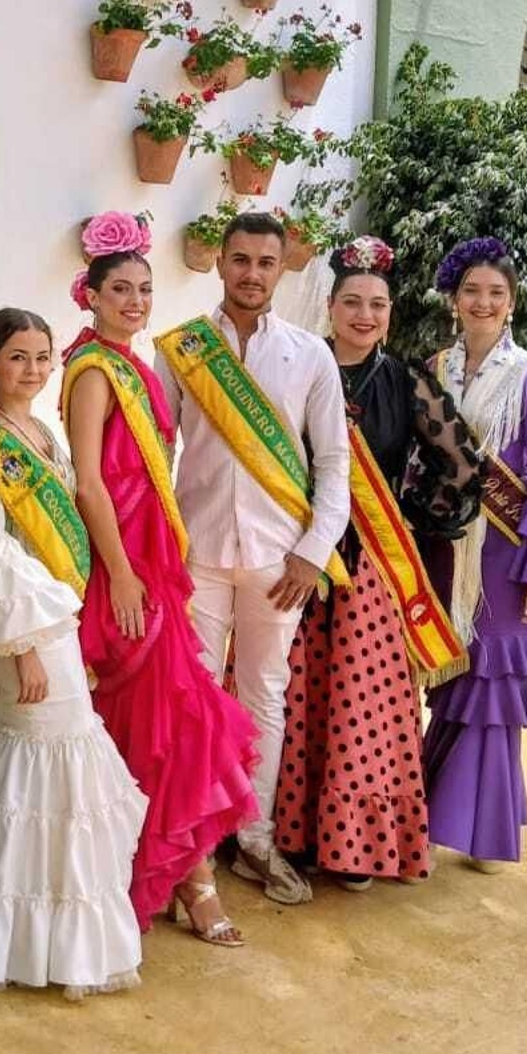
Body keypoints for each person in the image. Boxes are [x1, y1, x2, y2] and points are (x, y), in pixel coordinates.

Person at [0, 308, 146, 996]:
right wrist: (19, 644)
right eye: (17, 355)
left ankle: (28, 931)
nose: (32, 367)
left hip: (49, 617)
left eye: (42, 355)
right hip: (22, 626)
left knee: (27, 766)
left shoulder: (41, 433)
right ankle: (22, 937)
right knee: (51, 759)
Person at [62, 221, 259, 942]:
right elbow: (88, 481)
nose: (136, 300)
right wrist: (118, 575)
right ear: (92, 295)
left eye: (145, 289)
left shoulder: (135, 365)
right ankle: (183, 879)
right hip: (125, 571)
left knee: (177, 724)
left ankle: (181, 873)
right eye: (121, 289)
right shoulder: (91, 371)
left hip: (156, 565)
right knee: (157, 729)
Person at [272, 238, 484, 888]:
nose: (365, 315)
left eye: (378, 304)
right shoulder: (301, 367)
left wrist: (413, 511)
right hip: (301, 558)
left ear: (390, 313)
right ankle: (288, 835)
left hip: (371, 567)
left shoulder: (407, 381)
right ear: (330, 306)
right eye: (353, 302)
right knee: (292, 696)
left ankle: (358, 846)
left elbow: (463, 464)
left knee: (365, 705)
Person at [155, 210, 351, 906]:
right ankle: (197, 844)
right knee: (199, 698)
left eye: (265, 262)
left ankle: (256, 836)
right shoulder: (183, 349)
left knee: (264, 694)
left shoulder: (309, 354)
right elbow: (156, 452)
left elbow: (334, 466)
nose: (252, 274)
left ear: (281, 266)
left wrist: (311, 553)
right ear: (221, 263)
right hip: (199, 553)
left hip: (279, 562)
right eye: (240, 259)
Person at [421, 237, 527, 867]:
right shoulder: (437, 369)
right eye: (472, 291)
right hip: (448, 549)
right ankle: (441, 808)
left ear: (512, 303)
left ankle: (485, 831)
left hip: (504, 553)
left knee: (493, 679)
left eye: (496, 293)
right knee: (458, 675)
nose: (483, 302)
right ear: (454, 299)